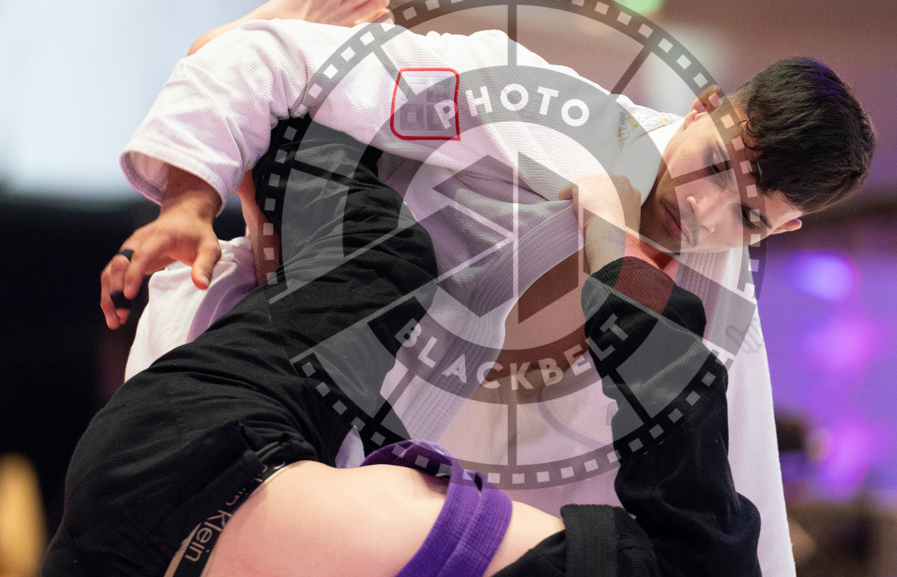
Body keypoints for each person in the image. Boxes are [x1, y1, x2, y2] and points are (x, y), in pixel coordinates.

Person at [95, 0, 874, 574]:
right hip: (309, 349)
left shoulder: (721, 291)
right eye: (715, 165)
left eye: (748, 215)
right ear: (704, 105)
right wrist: (190, 201)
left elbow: (734, 490)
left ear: (785, 228)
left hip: (432, 494)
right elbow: (270, 61)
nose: (702, 209)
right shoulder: (539, 110)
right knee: (288, 93)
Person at [49, 119, 760, 574]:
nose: (707, 204)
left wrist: (610, 240)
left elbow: (688, 466)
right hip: (191, 474)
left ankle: (265, 104)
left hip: (179, 460)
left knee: (382, 258)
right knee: (378, 258)